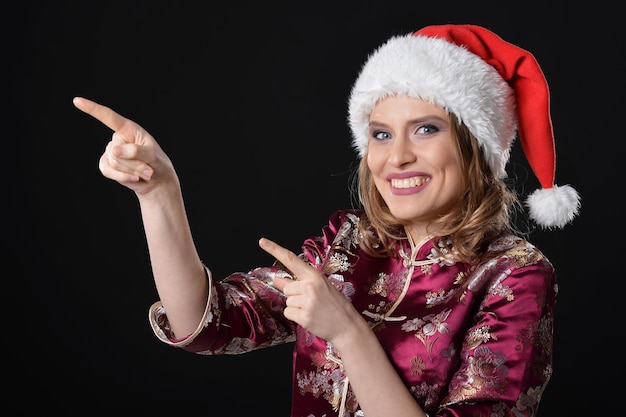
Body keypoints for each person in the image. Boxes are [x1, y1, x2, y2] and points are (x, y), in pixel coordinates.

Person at [74, 23, 580, 417]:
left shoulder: (514, 275)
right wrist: (160, 194)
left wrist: (347, 331)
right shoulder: (347, 241)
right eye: (380, 134)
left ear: (476, 149)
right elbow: (206, 324)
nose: (396, 157)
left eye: (425, 129)